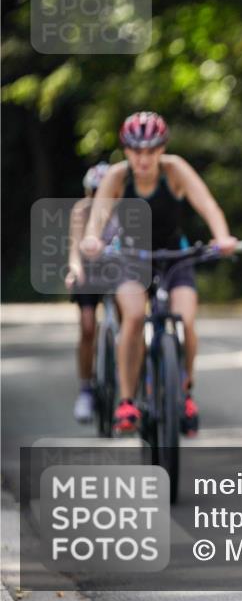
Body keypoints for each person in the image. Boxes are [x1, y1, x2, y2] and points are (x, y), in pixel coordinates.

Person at [81, 111, 238, 436]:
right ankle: (127, 401)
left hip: (174, 256)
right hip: (132, 257)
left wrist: (222, 237)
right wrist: (93, 239)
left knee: (186, 319)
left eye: (151, 150)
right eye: (136, 150)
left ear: (162, 149)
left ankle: (186, 392)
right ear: (126, 150)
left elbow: (208, 205)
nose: (144, 158)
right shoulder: (118, 177)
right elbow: (98, 216)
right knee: (134, 317)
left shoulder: (175, 169)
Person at [65, 162, 113, 422]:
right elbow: (75, 249)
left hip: (118, 270)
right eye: (95, 190)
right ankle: (85, 388)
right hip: (90, 272)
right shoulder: (81, 211)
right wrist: (75, 270)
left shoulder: (125, 209)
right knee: (87, 327)